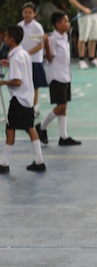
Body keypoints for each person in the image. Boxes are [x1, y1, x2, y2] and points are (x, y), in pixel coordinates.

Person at [0, 25, 46, 173]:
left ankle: (4, 163)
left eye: (6, 36)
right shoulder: (23, 54)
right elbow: (23, 69)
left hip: (18, 98)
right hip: (28, 98)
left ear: (12, 39)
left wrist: (3, 82)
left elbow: (17, 81)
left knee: (10, 129)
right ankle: (39, 161)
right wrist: (9, 64)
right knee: (29, 128)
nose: (4, 38)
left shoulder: (15, 57)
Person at [35, 11, 81, 147]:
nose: (68, 23)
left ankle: (63, 137)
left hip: (65, 75)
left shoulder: (64, 36)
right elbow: (49, 58)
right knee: (61, 106)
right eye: (65, 21)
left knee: (63, 107)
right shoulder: (53, 39)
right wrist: (47, 45)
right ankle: (41, 126)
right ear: (58, 24)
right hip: (56, 76)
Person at [18, 2, 47, 117]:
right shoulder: (19, 26)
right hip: (22, 60)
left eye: (30, 12)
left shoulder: (37, 27)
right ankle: (24, 107)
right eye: (25, 12)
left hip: (34, 60)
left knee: (34, 85)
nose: (27, 14)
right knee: (22, 84)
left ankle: (35, 107)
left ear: (34, 14)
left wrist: (27, 53)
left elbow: (40, 45)